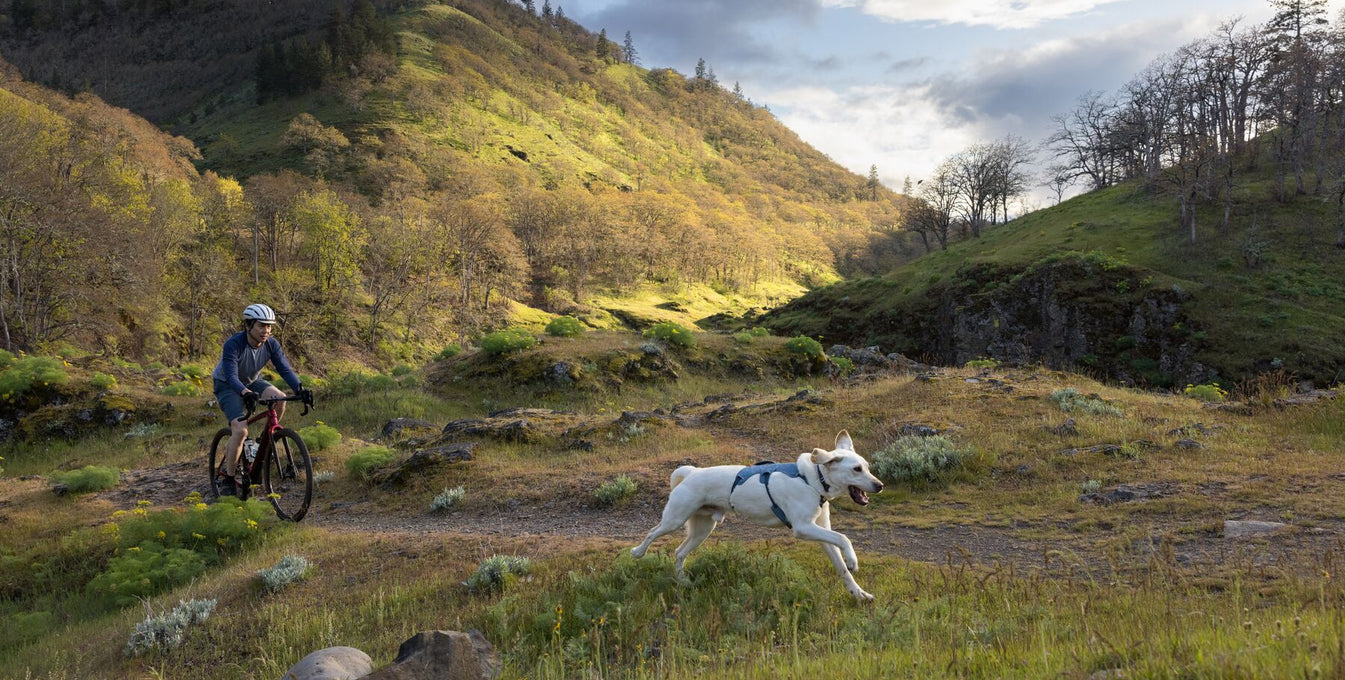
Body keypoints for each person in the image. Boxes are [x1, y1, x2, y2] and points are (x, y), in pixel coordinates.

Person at [211, 303, 306, 496]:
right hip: (227, 384)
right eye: (261, 326)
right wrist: (245, 393)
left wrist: (300, 389)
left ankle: (263, 444)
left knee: (280, 399)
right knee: (240, 430)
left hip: (253, 381)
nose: (266, 331)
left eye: (269, 326)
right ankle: (228, 479)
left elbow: (284, 369)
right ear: (249, 325)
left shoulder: (271, 344)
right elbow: (231, 376)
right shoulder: (234, 344)